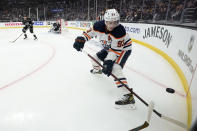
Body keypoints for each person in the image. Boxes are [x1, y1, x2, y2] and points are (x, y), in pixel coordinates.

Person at [73, 9, 135, 109]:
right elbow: (88, 34)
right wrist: (81, 39)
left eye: (115, 22)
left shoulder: (119, 31)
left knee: (115, 68)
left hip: (123, 49)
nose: (112, 25)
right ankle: (97, 70)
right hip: (109, 48)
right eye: (109, 22)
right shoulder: (98, 26)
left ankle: (129, 96)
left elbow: (115, 51)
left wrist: (108, 63)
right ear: (105, 21)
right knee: (95, 58)